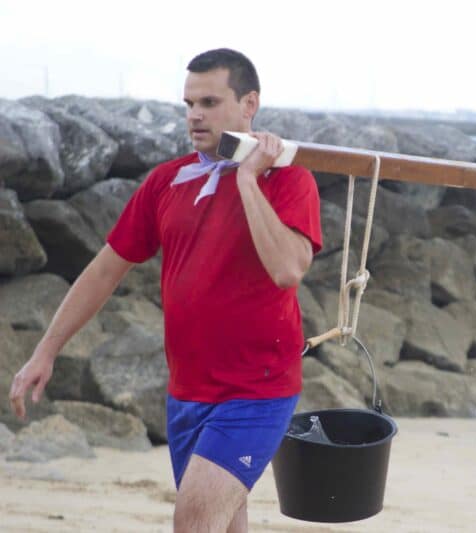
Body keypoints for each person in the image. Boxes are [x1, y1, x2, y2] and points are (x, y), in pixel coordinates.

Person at [9, 48, 322, 532]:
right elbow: (104, 271)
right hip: (186, 392)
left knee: (194, 522)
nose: (195, 115)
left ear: (249, 104)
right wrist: (45, 351)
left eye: (210, 102)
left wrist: (246, 178)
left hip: (255, 390)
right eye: (189, 103)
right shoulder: (166, 181)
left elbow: (286, 269)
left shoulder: (289, 181)